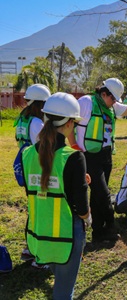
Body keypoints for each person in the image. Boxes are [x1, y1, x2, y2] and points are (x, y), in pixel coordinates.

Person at [68, 78, 127, 242]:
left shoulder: (112, 106)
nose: (114, 103)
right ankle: (110, 225)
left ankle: (98, 231)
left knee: (97, 195)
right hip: (89, 156)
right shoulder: (86, 103)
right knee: (103, 193)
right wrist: (74, 146)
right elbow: (69, 122)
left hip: (106, 156)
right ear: (103, 93)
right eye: (112, 99)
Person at [22, 92, 91, 299]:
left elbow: (37, 190)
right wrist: (88, 218)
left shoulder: (26, 154)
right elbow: (80, 206)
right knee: (63, 290)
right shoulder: (74, 157)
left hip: (39, 234)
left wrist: (76, 182)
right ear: (70, 123)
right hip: (67, 236)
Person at [14, 83, 51, 264]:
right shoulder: (37, 123)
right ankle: (37, 254)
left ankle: (29, 249)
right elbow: (44, 147)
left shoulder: (22, 119)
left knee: (34, 210)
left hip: (27, 168)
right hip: (37, 171)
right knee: (40, 212)